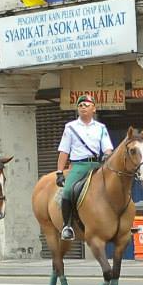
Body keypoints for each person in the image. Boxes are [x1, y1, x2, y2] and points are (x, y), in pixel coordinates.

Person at [55, 95, 113, 241]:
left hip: (97, 165)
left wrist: (107, 156)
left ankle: (121, 221)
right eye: (80, 105)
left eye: (86, 105)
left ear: (94, 108)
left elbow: (107, 149)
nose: (83, 107)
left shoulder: (101, 128)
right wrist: (60, 172)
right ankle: (67, 226)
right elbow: (64, 151)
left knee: (115, 186)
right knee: (67, 191)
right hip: (79, 165)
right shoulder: (70, 127)